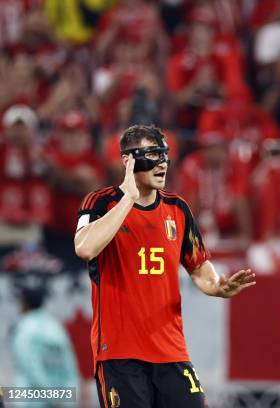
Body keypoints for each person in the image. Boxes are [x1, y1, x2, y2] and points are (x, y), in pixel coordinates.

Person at [74, 124, 256, 408]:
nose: (162, 164)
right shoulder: (100, 202)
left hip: (171, 352)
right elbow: (85, 247)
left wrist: (216, 285)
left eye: (165, 155)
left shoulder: (178, 209)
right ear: (127, 161)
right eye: (152, 155)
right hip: (120, 356)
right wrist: (129, 200)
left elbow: (198, 266)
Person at [10, 273, 79, 407]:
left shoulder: (24, 328)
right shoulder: (55, 326)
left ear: (24, 303)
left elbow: (31, 368)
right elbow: (70, 366)